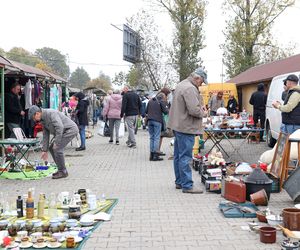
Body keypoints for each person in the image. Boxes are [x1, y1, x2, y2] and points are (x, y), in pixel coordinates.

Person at [168, 67, 208, 194]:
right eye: (201, 82)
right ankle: (187, 185)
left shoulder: (181, 84)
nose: (201, 84)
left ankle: (180, 182)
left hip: (178, 125)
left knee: (178, 156)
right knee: (185, 157)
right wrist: (204, 113)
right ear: (197, 78)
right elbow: (194, 110)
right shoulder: (190, 88)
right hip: (186, 127)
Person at [28, 105, 79, 179]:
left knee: (57, 148)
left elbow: (60, 127)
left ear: (37, 113)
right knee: (51, 148)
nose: (34, 120)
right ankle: (60, 169)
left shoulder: (51, 113)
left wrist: (57, 142)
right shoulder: (43, 120)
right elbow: (45, 135)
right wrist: (44, 150)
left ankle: (63, 171)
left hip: (70, 130)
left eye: (33, 118)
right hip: (63, 131)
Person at [146, 91, 169, 161]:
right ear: (163, 97)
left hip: (149, 121)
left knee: (152, 137)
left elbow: (146, 111)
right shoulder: (161, 102)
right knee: (156, 137)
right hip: (157, 121)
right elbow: (165, 111)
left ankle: (151, 155)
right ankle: (155, 155)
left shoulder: (150, 101)